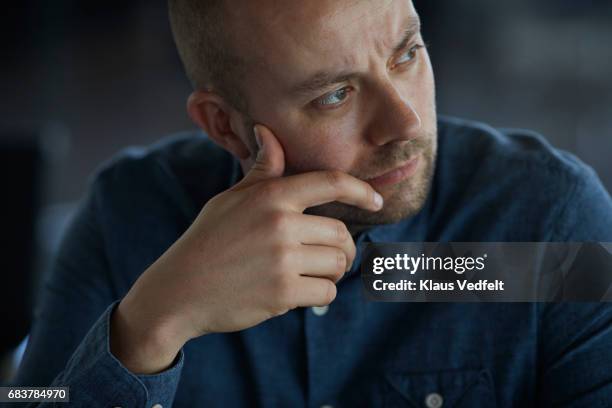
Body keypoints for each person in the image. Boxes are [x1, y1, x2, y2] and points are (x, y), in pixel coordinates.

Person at [12, 0, 612, 406]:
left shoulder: (546, 223)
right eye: (335, 94)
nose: (404, 121)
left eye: (406, 54)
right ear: (224, 125)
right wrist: (149, 328)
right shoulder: (129, 215)